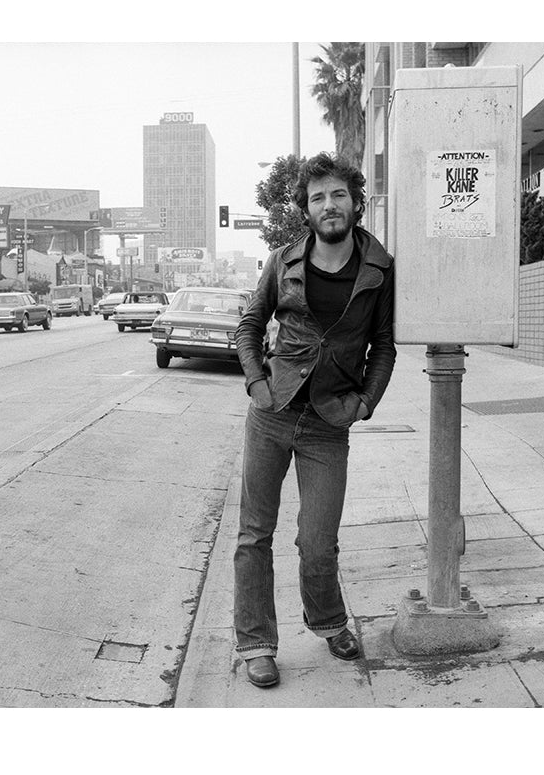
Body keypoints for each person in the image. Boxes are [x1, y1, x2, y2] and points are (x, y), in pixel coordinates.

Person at [232, 152, 396, 688]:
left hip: (329, 424)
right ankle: (256, 643)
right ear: (307, 208)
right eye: (319, 197)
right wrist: (258, 384)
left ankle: (328, 621)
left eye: (339, 195)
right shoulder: (283, 261)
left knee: (317, 542)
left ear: (355, 203)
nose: (329, 206)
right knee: (255, 535)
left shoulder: (379, 267)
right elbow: (250, 324)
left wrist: (366, 402)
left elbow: (385, 346)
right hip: (273, 414)